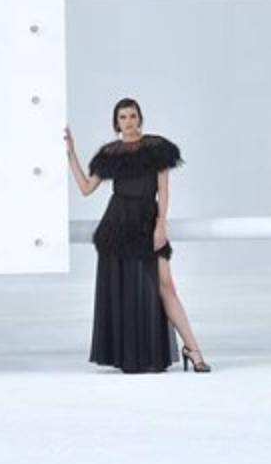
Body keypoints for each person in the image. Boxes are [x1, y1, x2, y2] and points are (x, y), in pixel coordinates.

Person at [65, 98, 210, 373]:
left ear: (140, 118)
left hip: (147, 221)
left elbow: (163, 191)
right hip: (117, 225)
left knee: (166, 286)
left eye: (132, 116)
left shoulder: (156, 148)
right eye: (123, 117)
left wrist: (160, 225)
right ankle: (130, 356)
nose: (129, 122)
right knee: (125, 290)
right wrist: (71, 153)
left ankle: (193, 350)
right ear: (116, 123)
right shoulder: (110, 154)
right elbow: (85, 188)